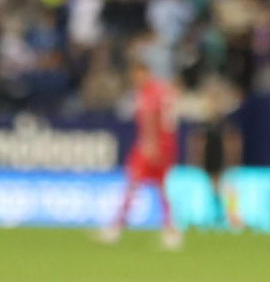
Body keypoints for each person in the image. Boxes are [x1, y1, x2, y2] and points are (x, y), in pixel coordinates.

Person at [100, 58, 182, 249]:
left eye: (138, 75)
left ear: (146, 73)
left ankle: (116, 228)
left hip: (152, 145)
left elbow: (150, 120)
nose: (136, 79)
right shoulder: (161, 90)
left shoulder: (149, 94)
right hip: (166, 145)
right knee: (161, 187)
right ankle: (171, 230)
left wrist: (151, 145)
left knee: (134, 184)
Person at [186, 80, 245, 232]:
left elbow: (232, 140)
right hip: (210, 158)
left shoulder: (224, 121)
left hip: (221, 159)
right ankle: (219, 216)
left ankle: (232, 217)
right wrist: (196, 159)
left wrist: (233, 159)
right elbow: (198, 141)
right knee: (216, 189)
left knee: (226, 188)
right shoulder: (206, 123)